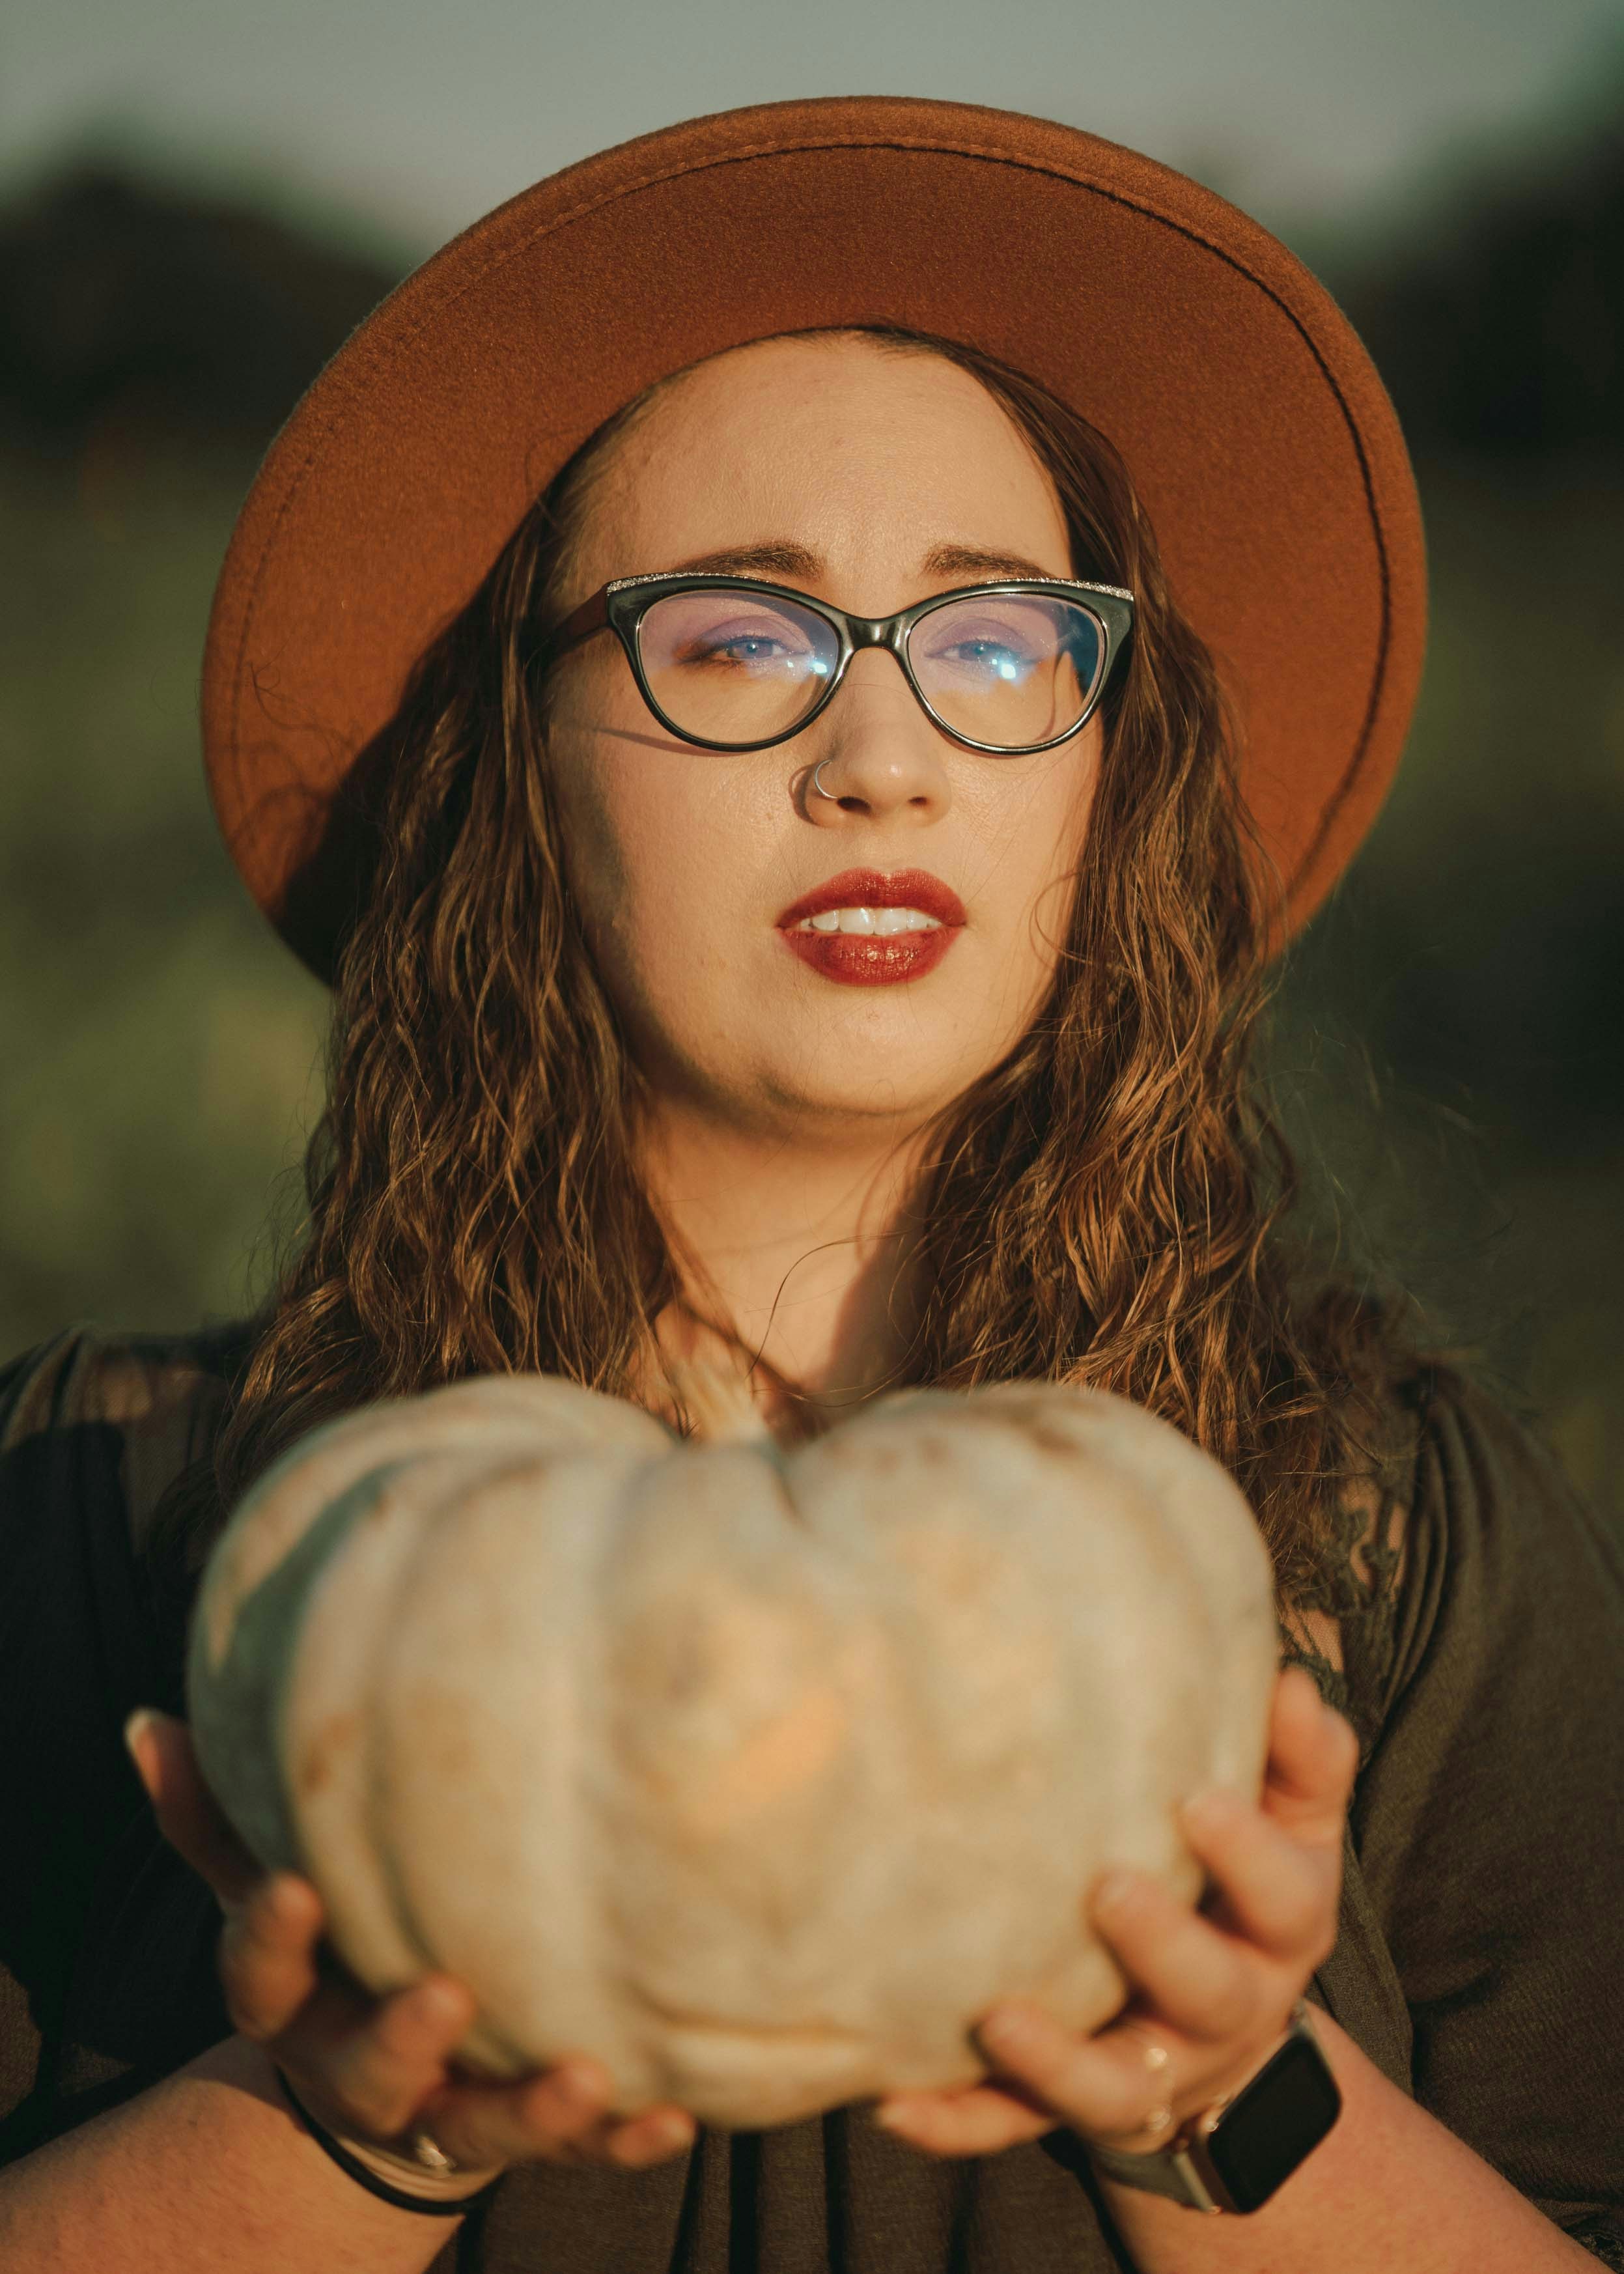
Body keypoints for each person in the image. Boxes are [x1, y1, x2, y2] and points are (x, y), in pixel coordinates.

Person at [1, 94, 1619, 2274]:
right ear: (515, 771)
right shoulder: (98, 1512)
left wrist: (1234, 2107)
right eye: (737, 636)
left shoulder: (1401, 1534)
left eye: (1000, 639)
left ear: (1106, 764)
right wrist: (338, 2130)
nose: (885, 753)